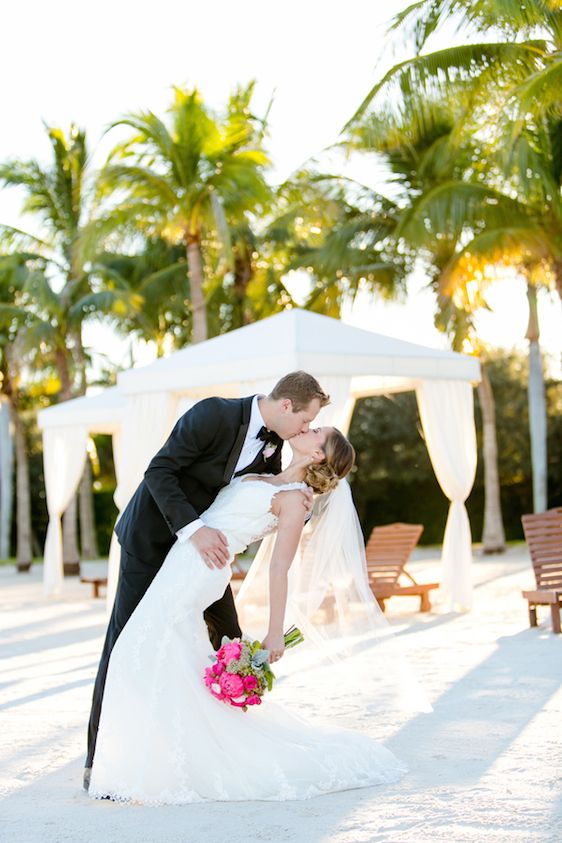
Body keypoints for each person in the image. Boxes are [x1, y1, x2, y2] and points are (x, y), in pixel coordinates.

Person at [88, 425, 407, 804]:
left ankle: (151, 763)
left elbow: (278, 569)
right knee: (164, 653)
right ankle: (164, 754)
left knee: (138, 648)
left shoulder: (295, 501)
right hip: (186, 559)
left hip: (200, 571)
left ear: (318, 455)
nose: (311, 428)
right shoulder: (270, 476)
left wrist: (275, 634)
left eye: (318, 431)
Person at [84, 371, 329, 789]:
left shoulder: (272, 450)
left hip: (204, 561)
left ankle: (227, 748)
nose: (305, 430)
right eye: (306, 422)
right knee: (125, 638)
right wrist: (194, 529)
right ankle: (98, 757)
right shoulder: (213, 414)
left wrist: (302, 495)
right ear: (287, 405)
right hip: (155, 538)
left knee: (229, 639)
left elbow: (251, 502)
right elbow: (159, 472)